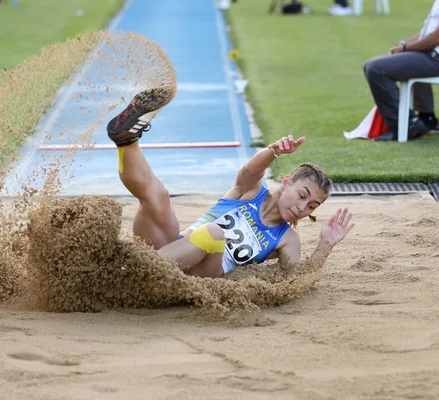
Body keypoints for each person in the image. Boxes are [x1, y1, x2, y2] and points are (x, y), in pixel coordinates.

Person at [106, 88, 355, 278]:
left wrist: (326, 244)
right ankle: (127, 140)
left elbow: (297, 278)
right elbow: (250, 170)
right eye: (302, 196)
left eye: (312, 206)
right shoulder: (252, 191)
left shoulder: (288, 238)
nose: (303, 208)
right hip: (174, 250)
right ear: (287, 181)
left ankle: (132, 276)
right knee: (158, 196)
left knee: (214, 233)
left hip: (199, 277)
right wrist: (273, 151)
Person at [363, 1, 439, 141]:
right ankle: (427, 118)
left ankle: (407, 124)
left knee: (376, 68)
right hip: (431, 55)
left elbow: (435, 38)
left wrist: (405, 49)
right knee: (373, 64)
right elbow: (427, 33)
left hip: (435, 58)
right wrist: (404, 45)